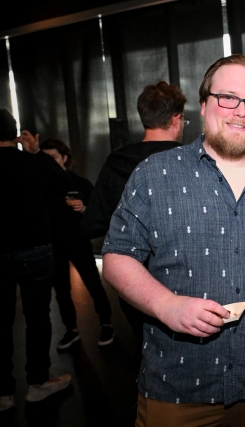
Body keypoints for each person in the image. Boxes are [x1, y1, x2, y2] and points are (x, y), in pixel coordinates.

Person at [102, 54, 245, 426]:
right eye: (228, 97)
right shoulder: (154, 174)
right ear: (205, 104)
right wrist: (167, 306)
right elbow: (116, 257)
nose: (241, 111)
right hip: (178, 387)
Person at [81, 81, 187, 344]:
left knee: (144, 348)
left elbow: (94, 222)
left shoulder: (116, 162)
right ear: (176, 119)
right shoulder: (191, 163)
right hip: (183, 277)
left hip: (132, 280)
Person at [0, 109, 72, 410]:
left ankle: (3, 393)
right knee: (38, 319)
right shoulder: (33, 162)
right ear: (16, 132)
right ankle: (38, 382)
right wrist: (35, 152)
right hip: (34, 251)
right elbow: (61, 183)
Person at [35, 137, 114, 349]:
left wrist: (84, 209)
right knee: (61, 290)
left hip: (78, 241)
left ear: (65, 158)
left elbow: (97, 214)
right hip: (54, 244)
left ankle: (106, 324)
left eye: (53, 158)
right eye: (46, 159)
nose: (49, 163)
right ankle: (71, 330)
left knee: (93, 284)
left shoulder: (79, 183)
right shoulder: (40, 187)